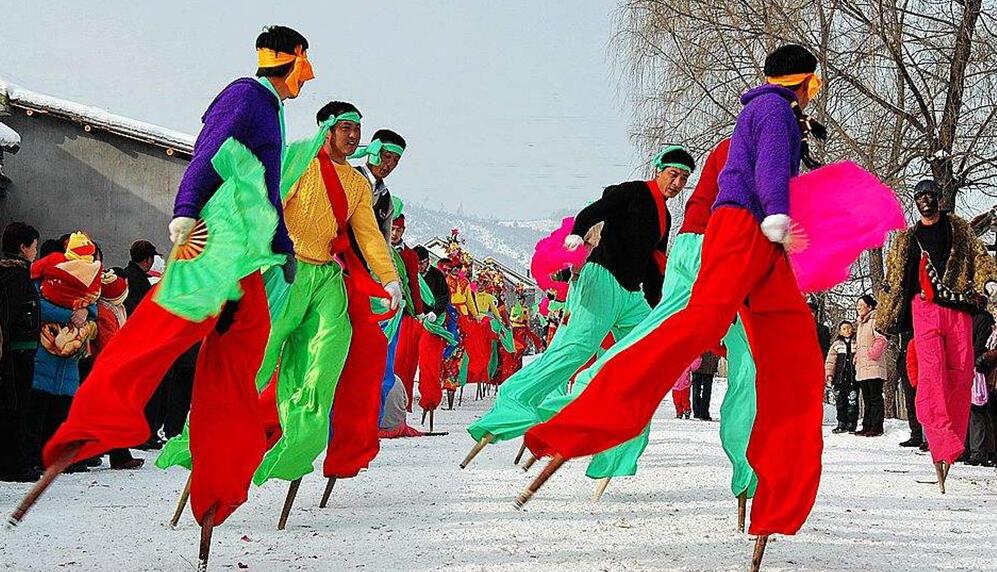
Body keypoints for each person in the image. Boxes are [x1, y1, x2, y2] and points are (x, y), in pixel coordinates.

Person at [525, 44, 826, 539]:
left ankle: (772, 484)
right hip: (741, 231)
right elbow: (770, 170)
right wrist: (775, 214)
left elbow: (771, 166)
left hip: (745, 236)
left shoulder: (766, 116)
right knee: (693, 328)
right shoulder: (773, 112)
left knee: (785, 348)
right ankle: (584, 420)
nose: (676, 181)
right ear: (805, 83)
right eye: (672, 173)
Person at [42, 25, 313, 531]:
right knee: (162, 333)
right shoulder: (247, 96)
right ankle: (88, 426)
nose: (310, 76)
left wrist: (281, 245)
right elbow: (209, 149)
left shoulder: (270, 108)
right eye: (307, 62)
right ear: (293, 59)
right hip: (218, 242)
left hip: (248, 256)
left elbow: (267, 192)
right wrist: (186, 210)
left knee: (242, 355)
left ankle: (218, 485)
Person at [463, 144, 694, 463]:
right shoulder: (632, 192)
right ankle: (514, 402)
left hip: (631, 295)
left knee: (644, 356)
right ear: (658, 170)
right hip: (602, 279)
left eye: (684, 178)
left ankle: (612, 439)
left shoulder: (665, 217)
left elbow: (654, 266)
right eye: (673, 174)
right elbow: (597, 211)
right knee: (576, 350)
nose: (677, 183)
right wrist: (577, 231)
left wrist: (659, 308)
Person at [250, 100, 401, 485]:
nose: (354, 136)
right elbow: (269, 206)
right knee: (259, 359)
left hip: (328, 278)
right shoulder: (299, 160)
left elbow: (368, 234)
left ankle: (297, 445)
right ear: (327, 128)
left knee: (326, 361)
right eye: (346, 127)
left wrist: (389, 278)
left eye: (357, 129)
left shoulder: (356, 183)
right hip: (286, 271)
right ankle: (220, 431)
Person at [877, 179, 997, 475]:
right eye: (920, 197)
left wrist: (987, 280)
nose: (925, 200)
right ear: (916, 202)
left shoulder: (958, 228)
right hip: (924, 309)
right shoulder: (907, 239)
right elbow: (893, 281)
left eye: (930, 195)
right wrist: (885, 321)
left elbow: (980, 257)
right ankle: (939, 442)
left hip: (957, 308)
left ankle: (954, 441)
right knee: (931, 376)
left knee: (960, 373)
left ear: (939, 199)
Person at [0, 222, 40, 482]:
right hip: (16, 354)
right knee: (15, 408)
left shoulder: (14, 273)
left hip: (19, 351)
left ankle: (18, 461)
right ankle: (14, 465)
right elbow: (8, 316)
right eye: (34, 247)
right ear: (23, 247)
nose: (35, 252)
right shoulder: (15, 276)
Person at [352, 129, 407, 242]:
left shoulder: (386, 200)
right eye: (387, 156)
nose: (390, 164)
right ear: (373, 152)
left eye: (396, 160)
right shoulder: (350, 178)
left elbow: (384, 242)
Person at [854, 295, 887, 436]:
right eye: (858, 305)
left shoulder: (875, 320)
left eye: (862, 305)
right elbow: (861, 345)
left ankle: (877, 426)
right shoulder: (861, 323)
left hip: (874, 365)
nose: (859, 308)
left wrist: (871, 354)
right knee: (866, 398)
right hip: (863, 367)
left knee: (875, 397)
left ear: (870, 307)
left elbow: (882, 339)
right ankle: (867, 425)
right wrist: (857, 356)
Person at [967, 308, 995, 465]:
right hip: (975, 367)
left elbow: (980, 345)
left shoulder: (982, 319)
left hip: (980, 370)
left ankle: (980, 452)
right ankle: (977, 450)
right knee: (975, 412)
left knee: (979, 411)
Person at [826, 320, 858, 433]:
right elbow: (830, 361)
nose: (847, 330)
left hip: (853, 378)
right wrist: (830, 375)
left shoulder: (856, 342)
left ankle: (851, 424)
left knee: (852, 401)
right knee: (840, 401)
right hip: (839, 379)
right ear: (840, 331)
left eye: (849, 328)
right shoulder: (837, 344)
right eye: (844, 329)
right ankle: (841, 422)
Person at [692, 351, 720, 421]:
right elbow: (718, 350)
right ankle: (704, 413)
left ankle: (697, 412)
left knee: (696, 390)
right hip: (708, 367)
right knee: (706, 392)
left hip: (697, 365)